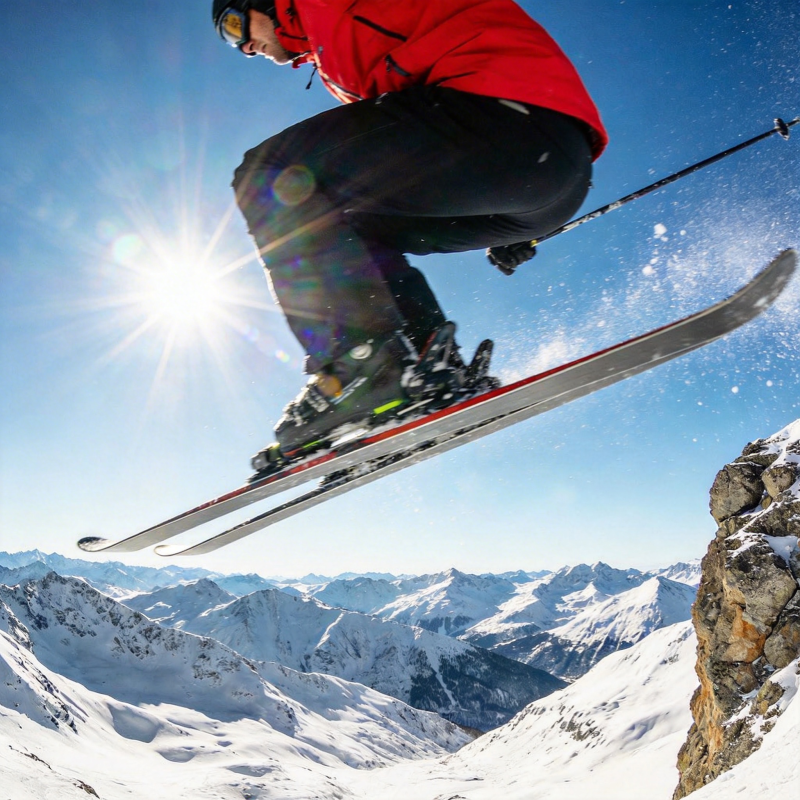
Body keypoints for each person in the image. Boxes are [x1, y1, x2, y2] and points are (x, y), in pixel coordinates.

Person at [211, 0, 607, 461]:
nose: (243, 46)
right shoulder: (332, 51)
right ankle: (428, 366)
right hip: (545, 174)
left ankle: (358, 369)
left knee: (269, 173)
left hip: (505, 120)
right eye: (230, 41)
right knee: (346, 223)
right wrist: (502, 216)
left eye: (234, 25)